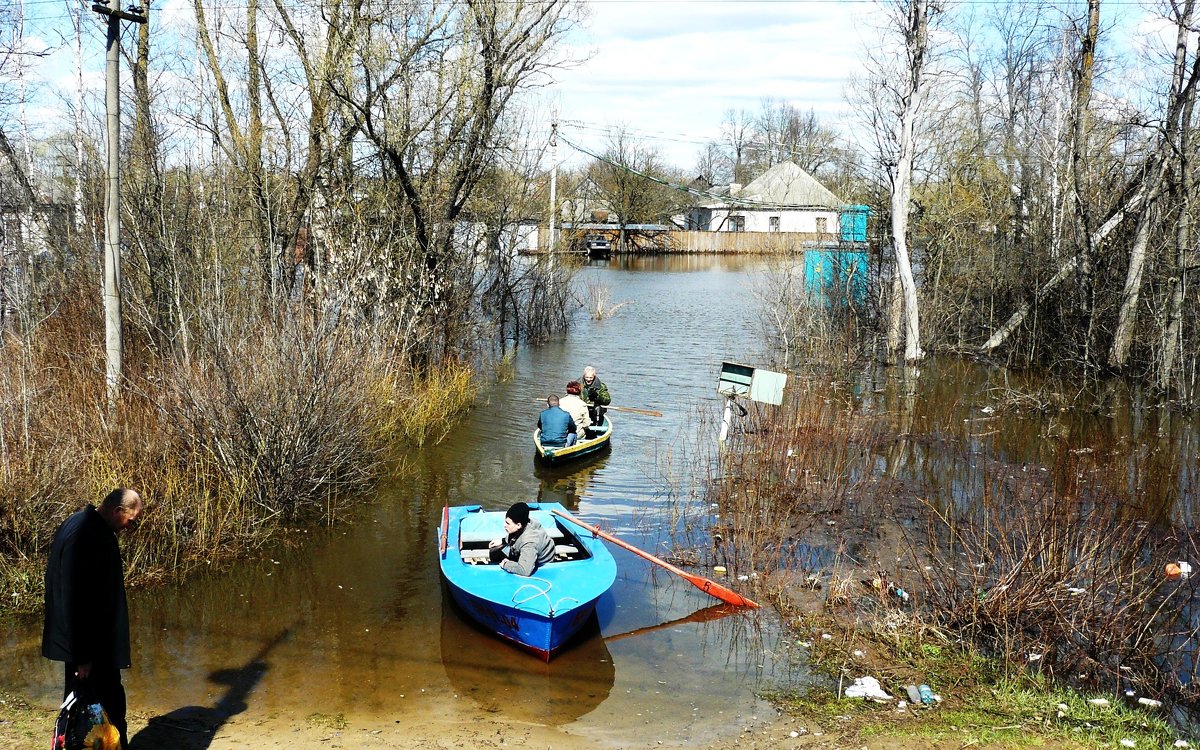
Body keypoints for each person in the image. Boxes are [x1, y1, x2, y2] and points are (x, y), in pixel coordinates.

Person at [43, 487, 144, 750]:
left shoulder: (78, 523)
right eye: (130, 520)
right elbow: (75, 599)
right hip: (91, 648)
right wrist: (83, 655)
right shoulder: (88, 533)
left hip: (86, 644)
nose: (130, 527)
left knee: (84, 709)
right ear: (117, 511)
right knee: (103, 711)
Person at [489, 502, 556, 576]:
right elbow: (515, 534)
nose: (504, 525)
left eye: (507, 523)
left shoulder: (529, 542)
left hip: (542, 562)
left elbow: (525, 570)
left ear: (518, 525)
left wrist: (506, 564)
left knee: (499, 559)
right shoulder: (525, 522)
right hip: (529, 548)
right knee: (493, 552)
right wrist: (503, 541)